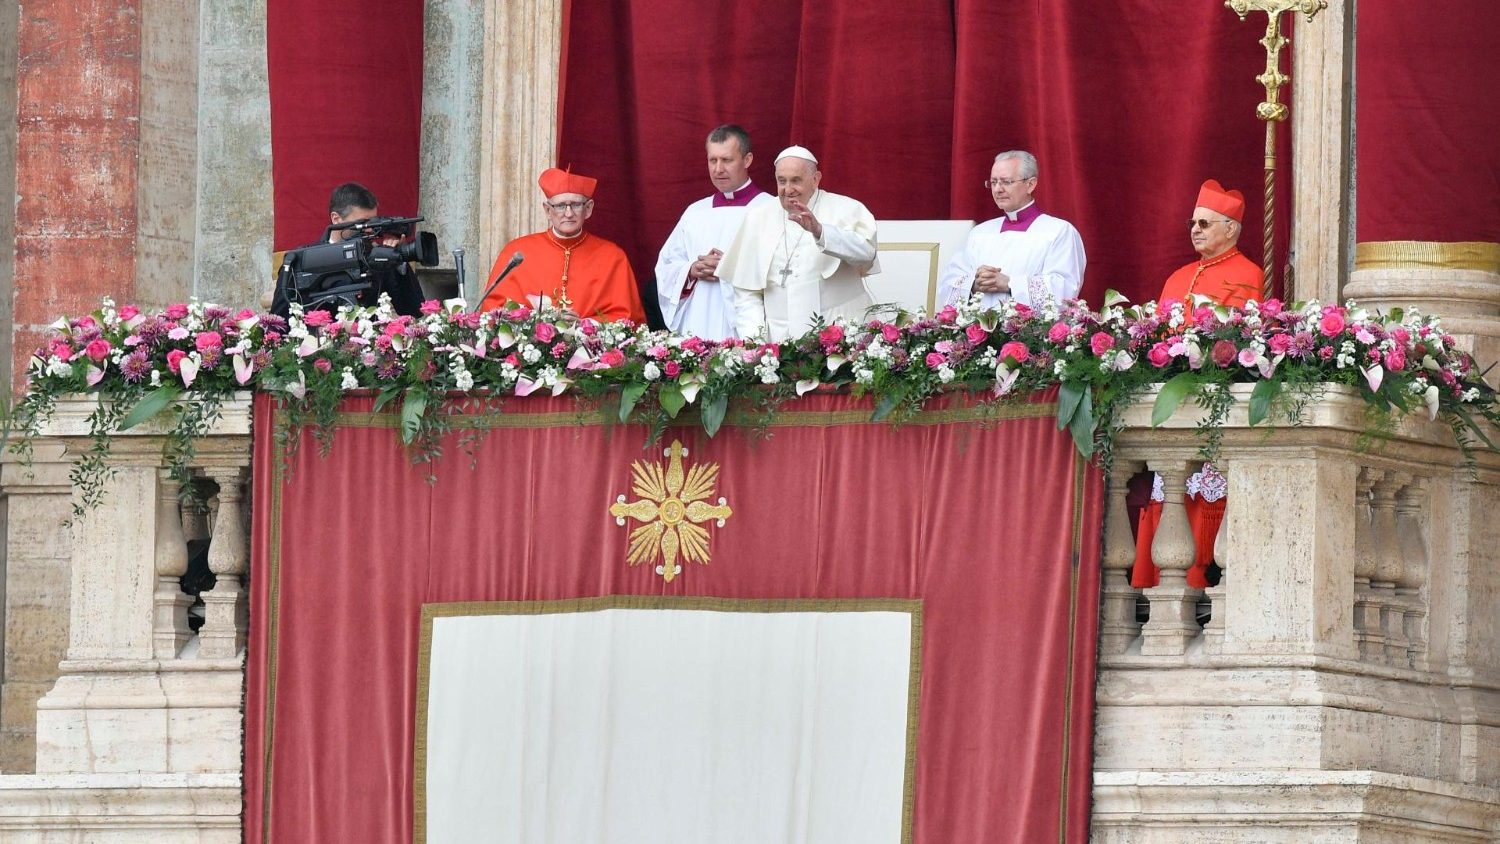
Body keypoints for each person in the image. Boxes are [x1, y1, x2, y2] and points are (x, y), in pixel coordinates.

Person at [721, 145, 880, 341]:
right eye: (782, 181)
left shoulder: (846, 208)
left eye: (796, 180)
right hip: (779, 339)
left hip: (840, 332)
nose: (788, 189)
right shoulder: (758, 218)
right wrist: (755, 342)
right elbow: (747, 292)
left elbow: (867, 253)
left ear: (815, 179)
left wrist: (820, 232)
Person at [654, 125, 775, 340]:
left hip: (747, 323)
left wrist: (730, 267)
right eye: (713, 160)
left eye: (727, 160)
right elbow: (666, 266)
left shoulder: (770, 209)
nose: (718, 169)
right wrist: (691, 269)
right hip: (698, 318)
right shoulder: (695, 212)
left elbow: (783, 268)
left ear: (747, 160)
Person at [479, 168, 646, 323]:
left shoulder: (613, 257)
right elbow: (494, 311)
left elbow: (628, 318)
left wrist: (584, 325)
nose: (568, 213)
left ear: (588, 209)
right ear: (547, 210)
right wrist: (541, 323)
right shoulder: (517, 251)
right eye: (560, 206)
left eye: (576, 204)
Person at [937, 150, 1085, 310]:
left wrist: (1009, 283)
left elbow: (1065, 289)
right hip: (978, 324)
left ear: (1030, 184)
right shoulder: (979, 233)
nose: (997, 189)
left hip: (1029, 327)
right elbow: (949, 283)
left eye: (1006, 182)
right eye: (993, 182)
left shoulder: (1059, 231)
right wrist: (974, 284)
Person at [270, 182, 426, 317]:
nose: (369, 230)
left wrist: (399, 260)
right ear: (336, 219)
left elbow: (413, 310)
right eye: (361, 224)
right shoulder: (302, 260)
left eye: (372, 223)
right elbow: (279, 322)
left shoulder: (377, 257)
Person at [1157, 179, 1263, 309]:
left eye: (1204, 223)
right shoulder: (1177, 278)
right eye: (1192, 223)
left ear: (1230, 229)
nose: (1194, 230)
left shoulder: (1250, 276)